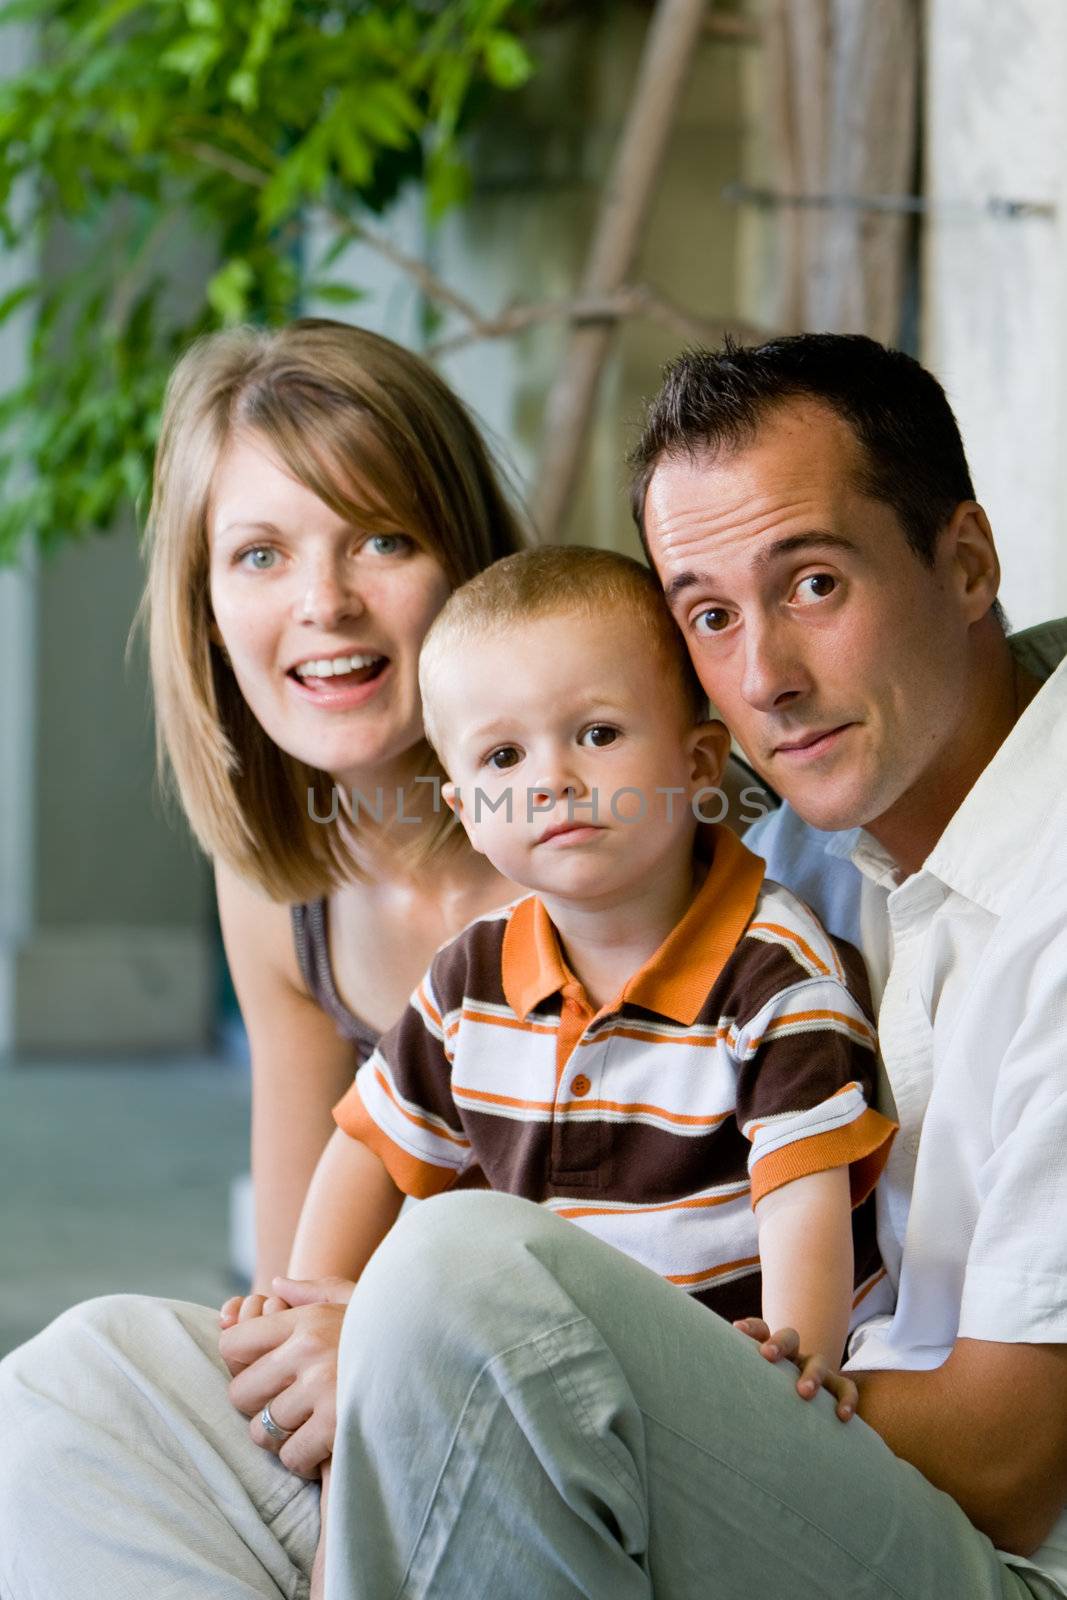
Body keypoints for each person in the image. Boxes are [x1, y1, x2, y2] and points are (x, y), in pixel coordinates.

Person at [3, 330, 1063, 1600]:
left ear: (965, 563)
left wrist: (453, 1364)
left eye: (815, 583)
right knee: (83, 1389)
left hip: (948, 1536)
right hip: (714, 1446)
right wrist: (380, 1353)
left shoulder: (886, 872)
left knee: (458, 1282)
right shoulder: (801, 831)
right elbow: (322, 1263)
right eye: (712, 616)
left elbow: (1005, 1464)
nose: (764, 681)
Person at [228, 545, 895, 1576]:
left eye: (596, 733)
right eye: (500, 760)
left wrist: (793, 1364)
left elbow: (803, 1193)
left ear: (695, 761)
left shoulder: (775, 972)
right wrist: (306, 1301)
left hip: (707, 1411)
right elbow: (368, 1148)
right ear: (460, 806)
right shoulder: (470, 979)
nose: (552, 781)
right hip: (527, 1392)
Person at [144, 315, 528, 1287]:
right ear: (210, 615)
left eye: (381, 539)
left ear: (468, 567)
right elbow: (292, 1289)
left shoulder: (610, 829)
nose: (324, 602)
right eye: (260, 555)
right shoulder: (280, 891)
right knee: (72, 1367)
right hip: (387, 1393)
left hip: (634, 1386)